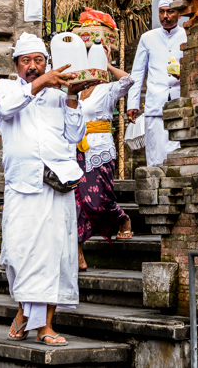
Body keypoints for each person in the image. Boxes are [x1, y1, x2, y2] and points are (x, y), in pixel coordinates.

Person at [0, 32, 101, 346]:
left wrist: (72, 97)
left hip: (57, 185)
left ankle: (45, 326)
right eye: (26, 61)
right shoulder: (5, 88)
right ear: (16, 64)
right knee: (19, 254)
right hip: (22, 184)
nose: (33, 66)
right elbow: (6, 108)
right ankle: (25, 310)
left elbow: (74, 134)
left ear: (47, 62)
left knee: (55, 256)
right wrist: (42, 83)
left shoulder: (58, 94)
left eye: (39, 61)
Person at [75, 41, 134, 271]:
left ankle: (122, 218)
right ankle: (79, 254)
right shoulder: (76, 90)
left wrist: (108, 65)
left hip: (100, 150)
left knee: (99, 202)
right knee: (76, 203)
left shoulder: (107, 89)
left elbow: (129, 80)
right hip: (77, 151)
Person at [127, 0, 187, 167]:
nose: (165, 16)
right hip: (155, 105)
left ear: (179, 13)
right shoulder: (148, 38)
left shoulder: (187, 35)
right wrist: (133, 103)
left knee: (179, 155)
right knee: (155, 157)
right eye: (162, 12)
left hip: (180, 103)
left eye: (170, 12)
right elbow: (137, 73)